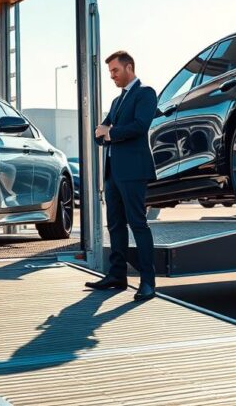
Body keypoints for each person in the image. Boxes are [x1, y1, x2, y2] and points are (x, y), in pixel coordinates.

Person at [85, 50, 158, 301]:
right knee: (115, 225)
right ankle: (117, 275)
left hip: (134, 171)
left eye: (115, 71)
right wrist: (107, 132)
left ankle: (148, 281)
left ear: (129, 67)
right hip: (113, 172)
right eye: (110, 72)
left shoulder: (145, 93)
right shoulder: (117, 102)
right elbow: (99, 133)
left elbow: (140, 126)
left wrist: (110, 132)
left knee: (137, 224)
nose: (112, 76)